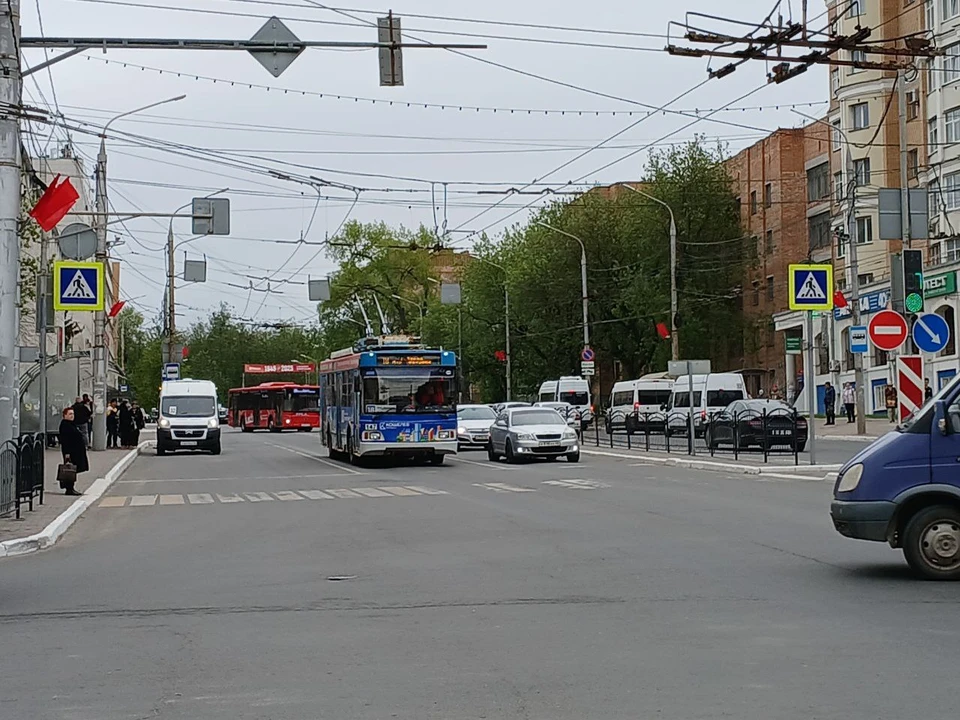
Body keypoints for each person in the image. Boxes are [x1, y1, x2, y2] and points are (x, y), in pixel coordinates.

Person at [58, 407, 87, 496]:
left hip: (76, 452)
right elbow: (65, 441)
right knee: (70, 469)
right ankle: (69, 488)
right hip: (71, 452)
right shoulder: (65, 425)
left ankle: (69, 486)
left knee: (73, 469)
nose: (72, 416)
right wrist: (67, 454)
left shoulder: (71, 424)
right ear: (65, 415)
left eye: (73, 414)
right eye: (70, 414)